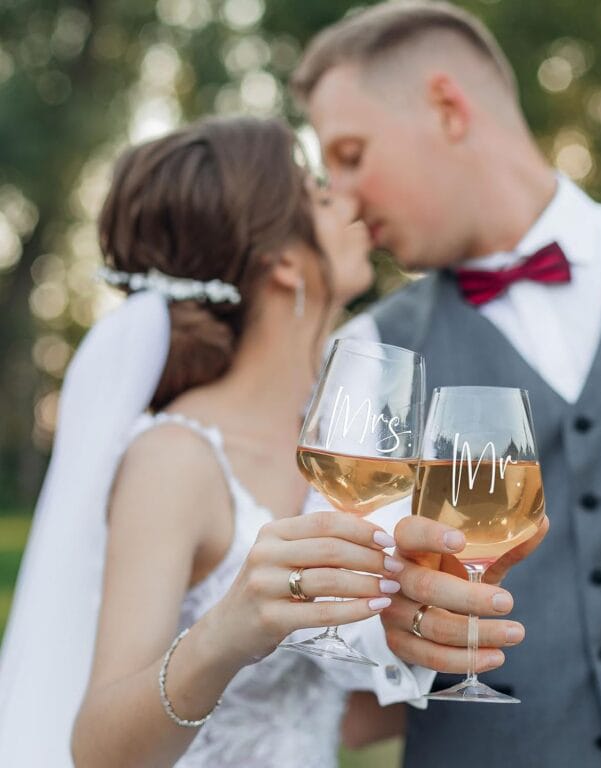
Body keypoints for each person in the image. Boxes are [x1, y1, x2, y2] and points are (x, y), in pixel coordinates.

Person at [292, 2, 601, 766]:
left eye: (351, 155)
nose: (342, 199)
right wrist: (390, 627)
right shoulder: (369, 352)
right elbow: (336, 618)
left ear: (447, 108)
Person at [0, 116, 410, 768]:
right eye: (319, 194)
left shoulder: (343, 448)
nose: (348, 201)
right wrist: (225, 633)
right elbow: (99, 752)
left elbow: (356, 721)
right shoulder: (174, 459)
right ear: (284, 262)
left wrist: (434, 627)